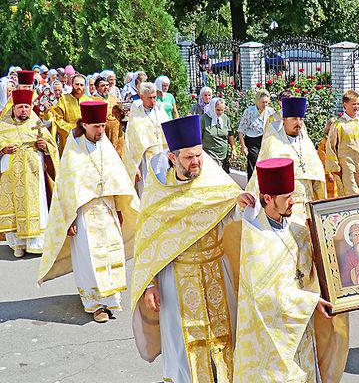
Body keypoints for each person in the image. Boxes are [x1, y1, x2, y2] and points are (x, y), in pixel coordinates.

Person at [130, 115, 247, 382]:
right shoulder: (158, 192)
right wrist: (149, 285)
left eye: (198, 155)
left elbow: (230, 208)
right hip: (177, 276)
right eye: (188, 158)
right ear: (172, 158)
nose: (195, 162)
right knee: (184, 344)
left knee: (225, 334)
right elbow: (148, 242)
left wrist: (240, 203)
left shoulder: (213, 177)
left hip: (217, 270)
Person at [234, 157, 338, 381]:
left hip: (300, 324)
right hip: (272, 334)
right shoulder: (255, 237)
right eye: (287, 197)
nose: (293, 201)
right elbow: (263, 294)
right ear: (268, 198)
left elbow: (315, 265)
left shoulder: (298, 226)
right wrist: (311, 301)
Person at [37, 101, 139, 323]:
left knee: (112, 253)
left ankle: (111, 299)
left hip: (107, 210)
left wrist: (120, 207)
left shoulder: (106, 146)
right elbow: (66, 189)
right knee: (89, 258)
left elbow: (117, 179)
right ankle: (94, 303)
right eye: (96, 127)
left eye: (102, 126)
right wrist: (69, 218)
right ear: (84, 125)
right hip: (84, 213)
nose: (101, 131)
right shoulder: (73, 152)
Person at [0, 89, 58, 257]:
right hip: (11, 175)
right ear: (13, 108)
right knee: (13, 205)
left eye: (26, 106)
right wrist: (3, 149)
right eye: (20, 107)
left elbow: (51, 146)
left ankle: (36, 243)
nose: (24, 110)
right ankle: (17, 244)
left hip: (34, 174)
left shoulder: (36, 123)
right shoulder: (3, 126)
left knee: (36, 205)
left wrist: (44, 146)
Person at [245, 97, 325, 218]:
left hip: (309, 205)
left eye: (301, 119)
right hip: (285, 208)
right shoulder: (273, 144)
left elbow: (316, 175)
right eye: (294, 119)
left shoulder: (306, 143)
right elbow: (261, 177)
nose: (298, 123)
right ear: (284, 120)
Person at [124, 82, 169, 197]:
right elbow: (130, 143)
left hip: (162, 155)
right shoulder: (136, 114)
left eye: (154, 97)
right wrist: (135, 168)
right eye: (150, 98)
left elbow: (168, 131)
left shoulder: (160, 110)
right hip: (146, 159)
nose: (153, 101)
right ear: (141, 97)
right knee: (148, 191)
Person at [238, 89, 276, 180]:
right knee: (254, 165)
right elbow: (241, 130)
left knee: (266, 165)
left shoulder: (270, 111)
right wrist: (243, 146)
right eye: (263, 102)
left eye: (267, 102)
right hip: (252, 142)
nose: (265, 105)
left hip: (265, 141)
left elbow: (277, 125)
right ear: (257, 101)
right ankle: (251, 189)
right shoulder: (249, 111)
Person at [51, 73, 91, 155]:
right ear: (72, 84)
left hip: (86, 139)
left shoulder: (89, 101)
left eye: (81, 85)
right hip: (69, 139)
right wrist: (73, 130)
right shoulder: (63, 99)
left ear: (85, 86)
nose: (79, 87)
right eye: (76, 84)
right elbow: (57, 119)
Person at [91, 76, 124, 157]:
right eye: (102, 86)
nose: (106, 87)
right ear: (96, 87)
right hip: (102, 133)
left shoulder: (114, 99)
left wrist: (123, 111)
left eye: (107, 85)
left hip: (117, 133)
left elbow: (121, 116)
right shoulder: (92, 100)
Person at [201, 97, 237, 170]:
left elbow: (230, 134)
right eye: (218, 110)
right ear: (212, 108)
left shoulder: (225, 118)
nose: (220, 112)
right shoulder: (204, 119)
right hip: (210, 153)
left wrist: (233, 149)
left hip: (223, 154)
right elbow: (199, 137)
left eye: (222, 110)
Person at [317, 117, 338, 198]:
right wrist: (328, 173)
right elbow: (322, 158)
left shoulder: (336, 140)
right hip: (329, 174)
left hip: (336, 172)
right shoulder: (324, 142)